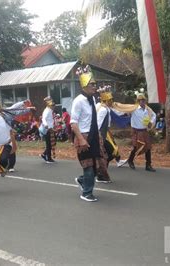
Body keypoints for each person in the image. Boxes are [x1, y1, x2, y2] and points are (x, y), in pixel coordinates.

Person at [71, 65, 108, 202]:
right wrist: (81, 139)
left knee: (97, 164)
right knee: (88, 166)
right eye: (92, 84)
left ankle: (82, 181)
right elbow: (73, 123)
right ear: (85, 85)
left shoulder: (92, 99)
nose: (95, 87)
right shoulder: (78, 101)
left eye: (95, 84)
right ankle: (86, 193)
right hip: (83, 136)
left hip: (93, 136)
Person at [126, 93, 157, 171]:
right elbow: (123, 110)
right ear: (138, 101)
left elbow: (154, 115)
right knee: (136, 146)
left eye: (144, 100)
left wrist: (151, 122)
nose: (143, 102)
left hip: (144, 131)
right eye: (141, 101)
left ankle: (148, 165)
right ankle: (130, 160)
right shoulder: (134, 108)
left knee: (148, 147)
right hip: (136, 131)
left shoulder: (148, 109)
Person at [40, 96, 56, 163]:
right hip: (48, 129)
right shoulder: (47, 110)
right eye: (52, 105)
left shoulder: (50, 110)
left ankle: (45, 154)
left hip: (51, 129)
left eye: (53, 105)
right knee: (49, 144)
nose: (53, 106)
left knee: (52, 143)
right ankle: (48, 158)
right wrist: (46, 125)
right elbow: (43, 118)